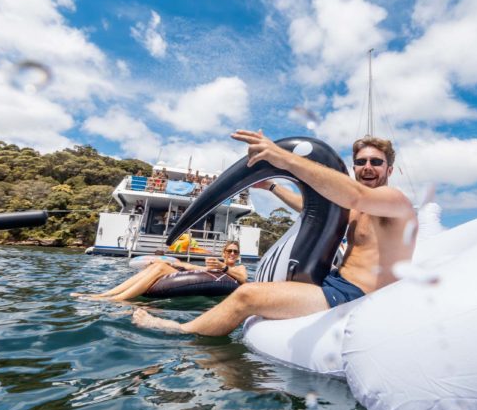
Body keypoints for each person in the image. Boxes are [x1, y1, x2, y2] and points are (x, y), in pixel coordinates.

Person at [132, 129, 416, 336]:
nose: (367, 168)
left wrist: (285, 159)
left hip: (357, 295)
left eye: (376, 162)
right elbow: (308, 207)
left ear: (389, 168)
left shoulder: (394, 201)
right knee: (252, 288)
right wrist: (271, 186)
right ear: (354, 166)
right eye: (361, 162)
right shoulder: (360, 208)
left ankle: (178, 330)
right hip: (335, 282)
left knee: (248, 296)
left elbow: (353, 195)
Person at [73, 240, 247, 301]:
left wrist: (224, 267)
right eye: (229, 251)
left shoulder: (239, 267)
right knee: (158, 266)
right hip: (206, 279)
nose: (232, 254)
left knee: (160, 268)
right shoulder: (213, 267)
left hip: (223, 287)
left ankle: (117, 298)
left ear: (238, 255)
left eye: (235, 252)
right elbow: (197, 269)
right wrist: (179, 263)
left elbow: (243, 279)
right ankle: (106, 294)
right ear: (224, 253)